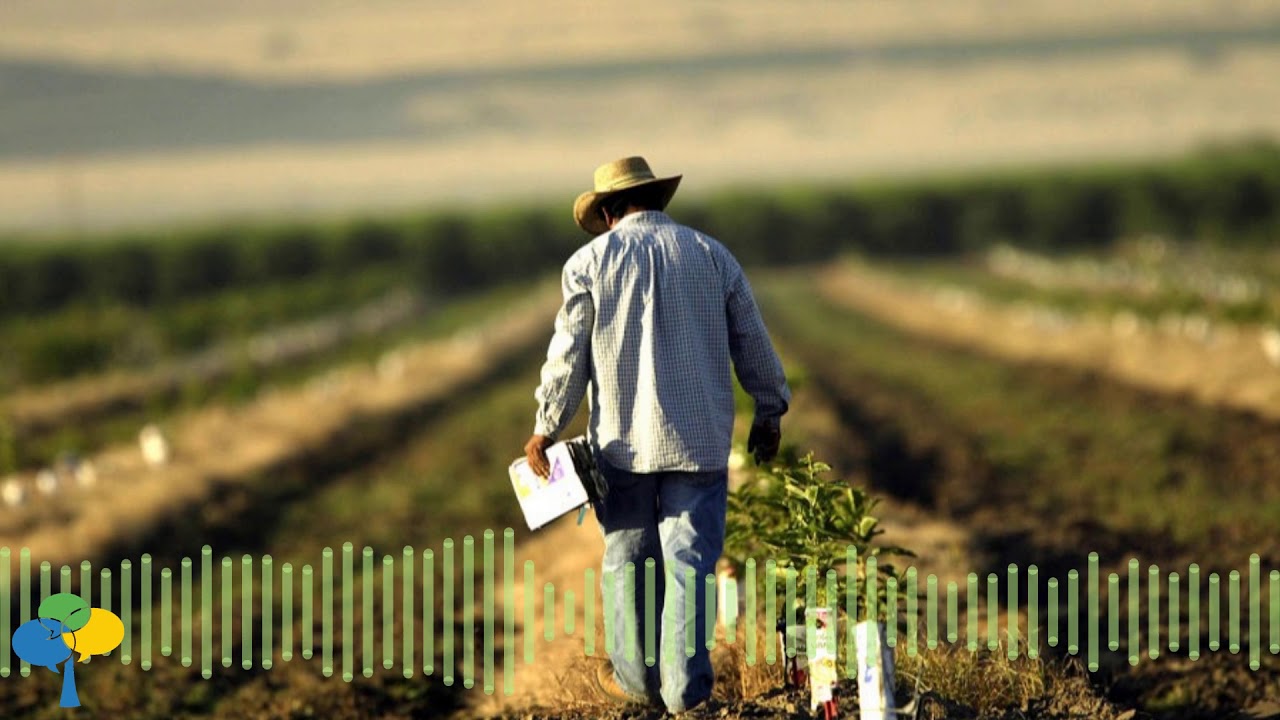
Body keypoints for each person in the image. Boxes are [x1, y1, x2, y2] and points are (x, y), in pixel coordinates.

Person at [524, 156, 791, 714]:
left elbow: (568, 354)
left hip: (620, 446)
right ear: (654, 201)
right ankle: (685, 697)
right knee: (690, 565)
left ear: (607, 211)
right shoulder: (711, 255)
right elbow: (751, 339)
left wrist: (546, 426)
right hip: (698, 442)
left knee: (627, 564)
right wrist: (769, 411)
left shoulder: (587, 264)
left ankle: (641, 689)